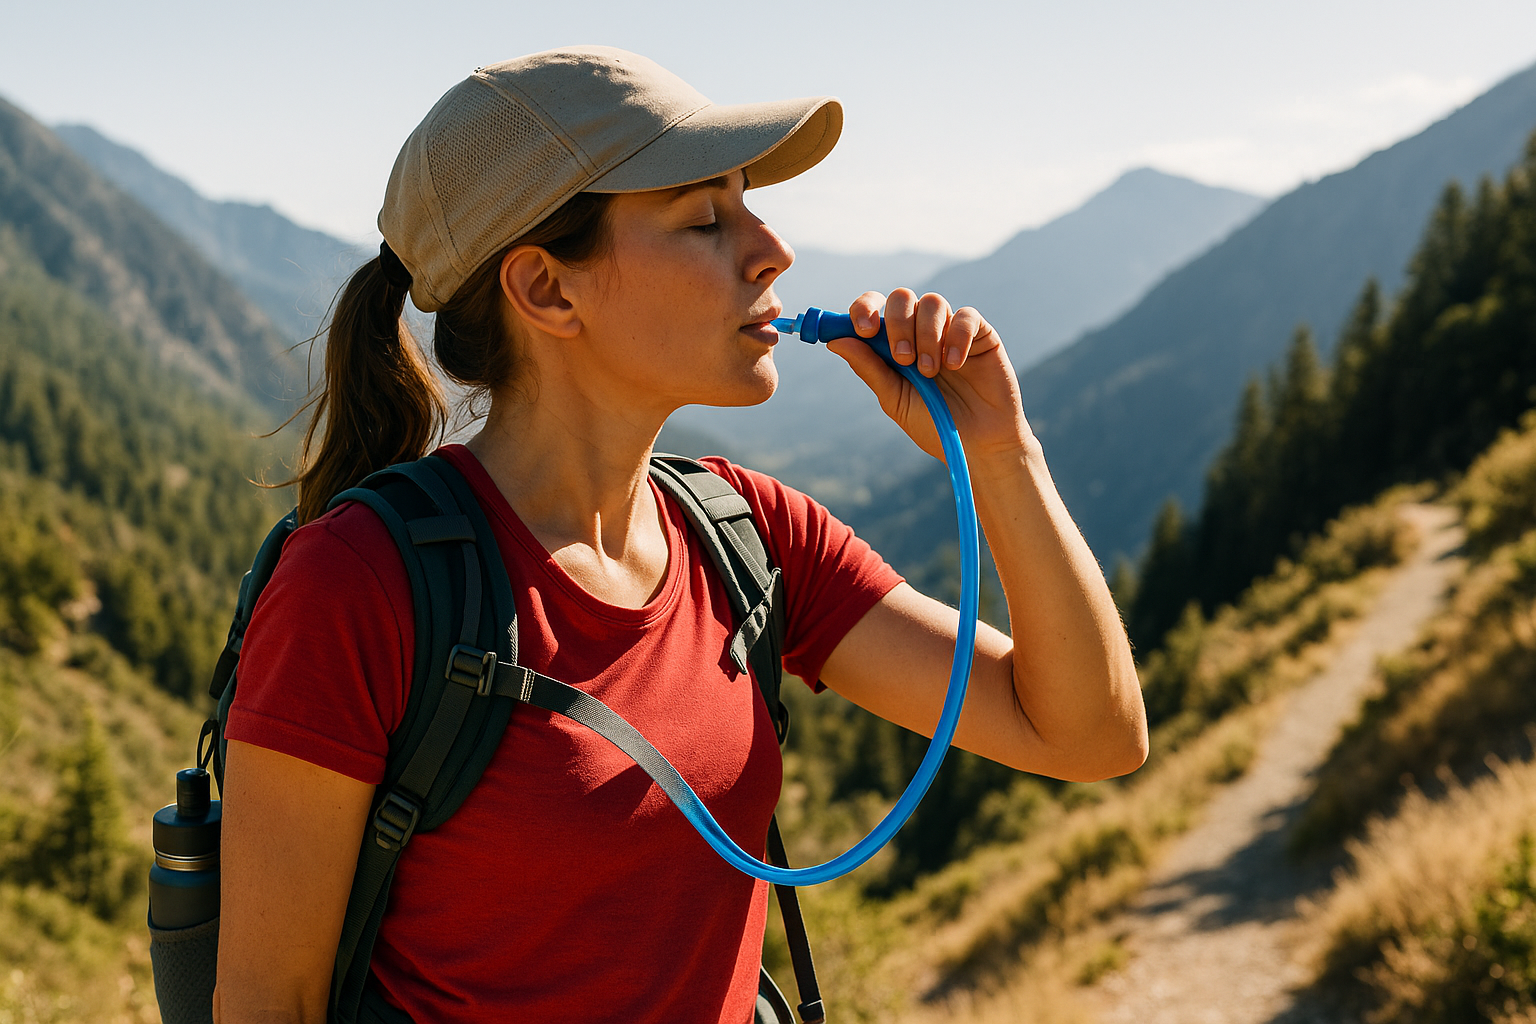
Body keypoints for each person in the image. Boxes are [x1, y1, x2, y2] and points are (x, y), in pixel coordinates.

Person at [214, 46, 1147, 1024]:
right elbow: (269, 1001)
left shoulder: (749, 534)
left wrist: (1000, 452)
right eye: (706, 218)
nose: (772, 249)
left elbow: (1087, 734)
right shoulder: (358, 583)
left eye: (748, 204)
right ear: (545, 290)